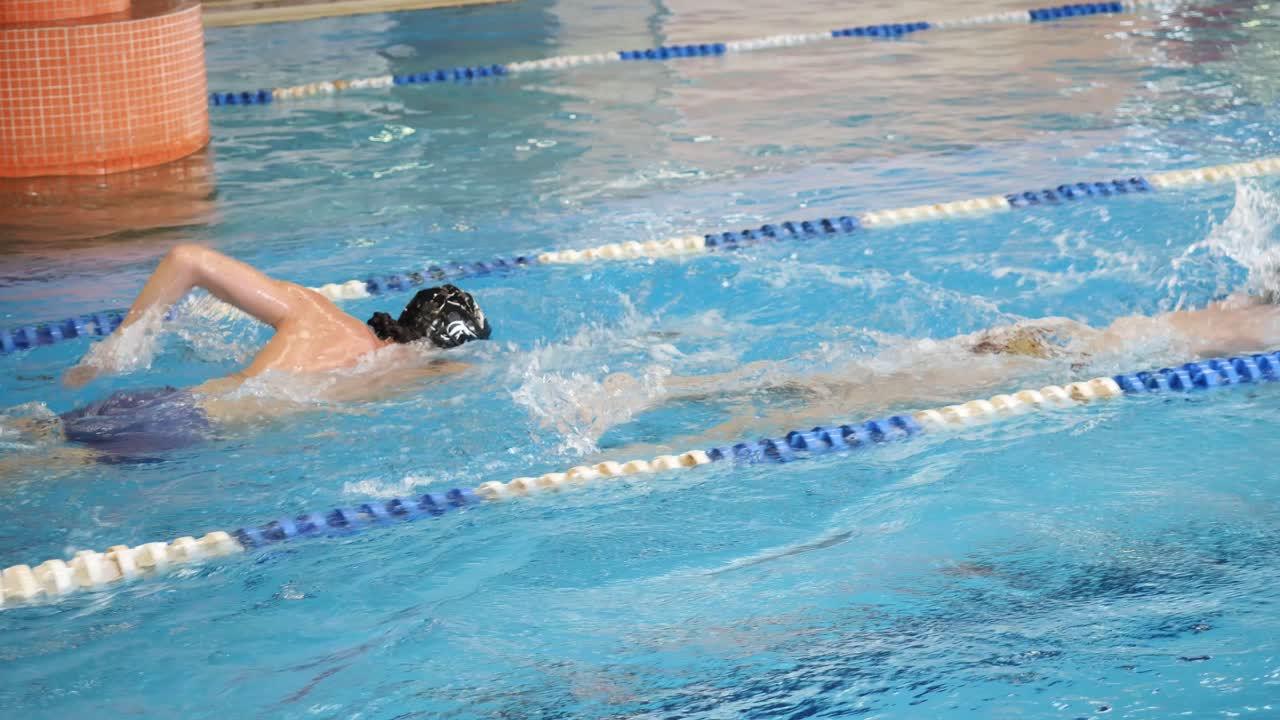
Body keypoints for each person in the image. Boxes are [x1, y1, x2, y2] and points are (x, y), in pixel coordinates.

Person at [598, 289, 1280, 453]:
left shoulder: (1242, 303)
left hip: (1039, 339)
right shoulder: (1263, 324)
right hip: (1047, 358)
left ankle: (663, 391)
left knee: (832, 387)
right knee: (829, 409)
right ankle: (667, 441)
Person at [46, 244, 492, 457]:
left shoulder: (318, 314)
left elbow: (187, 258)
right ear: (442, 349)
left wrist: (120, 345)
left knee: (30, 432)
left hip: (161, 400)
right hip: (181, 428)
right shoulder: (416, 373)